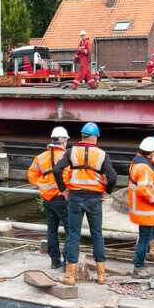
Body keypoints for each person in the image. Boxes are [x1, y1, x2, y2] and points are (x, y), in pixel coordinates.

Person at [52, 122, 117, 286]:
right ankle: (101, 276)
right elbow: (113, 176)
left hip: (75, 197)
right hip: (94, 199)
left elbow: (57, 170)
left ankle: (70, 276)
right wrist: (106, 191)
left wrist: (64, 190)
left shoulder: (71, 151)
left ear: (82, 136)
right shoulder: (102, 154)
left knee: (73, 235)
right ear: (94, 137)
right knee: (97, 235)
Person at [28, 126, 71, 269]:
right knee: (70, 230)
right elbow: (68, 176)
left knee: (51, 230)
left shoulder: (40, 157)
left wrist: (41, 185)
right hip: (62, 199)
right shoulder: (67, 157)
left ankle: (54, 261)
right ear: (64, 141)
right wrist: (65, 190)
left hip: (47, 199)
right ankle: (67, 263)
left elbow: (31, 175)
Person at [128, 137, 154, 278]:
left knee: (145, 238)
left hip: (143, 210)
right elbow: (143, 190)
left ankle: (140, 262)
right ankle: (139, 268)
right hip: (146, 211)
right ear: (151, 152)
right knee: (145, 240)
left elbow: (153, 170)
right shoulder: (144, 168)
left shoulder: (138, 162)